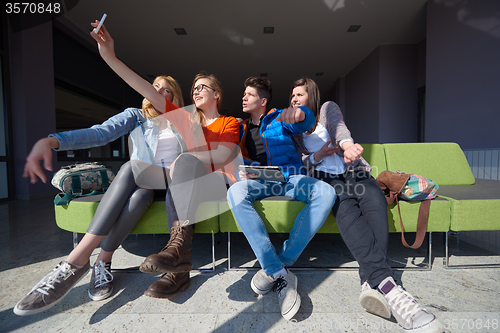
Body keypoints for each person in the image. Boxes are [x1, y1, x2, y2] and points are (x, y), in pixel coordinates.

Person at [14, 21, 187, 316]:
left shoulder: (182, 119)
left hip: (172, 185)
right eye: (155, 87)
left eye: (167, 89)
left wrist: (110, 57)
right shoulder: (136, 116)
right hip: (144, 186)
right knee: (138, 195)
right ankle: (102, 261)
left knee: (133, 167)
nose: (160, 92)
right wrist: (53, 140)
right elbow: (99, 133)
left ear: (174, 96)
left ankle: (75, 261)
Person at [291, 78, 445, 332]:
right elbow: (301, 163)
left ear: (313, 96)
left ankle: (369, 281)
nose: (294, 99)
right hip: (327, 180)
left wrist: (347, 147)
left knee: (374, 201)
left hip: (355, 172)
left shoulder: (327, 109)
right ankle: (388, 286)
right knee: (346, 208)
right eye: (292, 96)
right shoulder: (294, 130)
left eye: (300, 94)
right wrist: (319, 155)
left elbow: (340, 129)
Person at [226, 77, 337, 321]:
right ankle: (278, 270)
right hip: (259, 181)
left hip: (289, 178)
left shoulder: (279, 118)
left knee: (326, 192)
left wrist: (300, 115)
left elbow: (305, 121)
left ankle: (279, 265)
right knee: (234, 192)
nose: (243, 98)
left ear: (263, 101)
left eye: (249, 94)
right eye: (243, 94)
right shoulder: (241, 128)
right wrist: (242, 170)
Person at [139, 73, 240, 299]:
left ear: (216, 94)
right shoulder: (188, 120)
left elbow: (222, 154)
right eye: (193, 88)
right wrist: (110, 57)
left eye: (202, 87)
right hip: (191, 182)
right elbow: (151, 95)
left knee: (184, 161)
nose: (195, 91)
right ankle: (178, 264)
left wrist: (184, 159)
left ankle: (177, 257)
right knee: (177, 181)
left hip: (220, 181)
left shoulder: (230, 122)